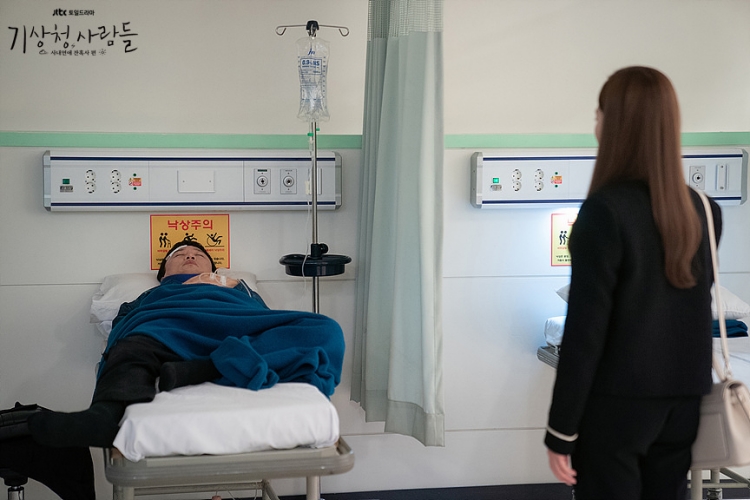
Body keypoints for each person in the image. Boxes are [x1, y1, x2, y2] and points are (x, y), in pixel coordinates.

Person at [0, 240, 345, 498]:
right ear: (164, 273)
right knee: (132, 347)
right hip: (169, 329)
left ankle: (203, 368)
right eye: (180, 254)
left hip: (237, 331)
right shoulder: (149, 297)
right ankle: (104, 416)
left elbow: (265, 319)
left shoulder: (236, 288)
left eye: (198, 254)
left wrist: (228, 286)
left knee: (326, 330)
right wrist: (140, 329)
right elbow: (124, 328)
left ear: (215, 268)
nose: (190, 256)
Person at [544, 66, 723, 500]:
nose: (595, 123)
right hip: (684, 401)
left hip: (618, 406)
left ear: (617, 125)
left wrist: (560, 431)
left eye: (599, 113)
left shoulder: (604, 212)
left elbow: (586, 332)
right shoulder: (705, 209)